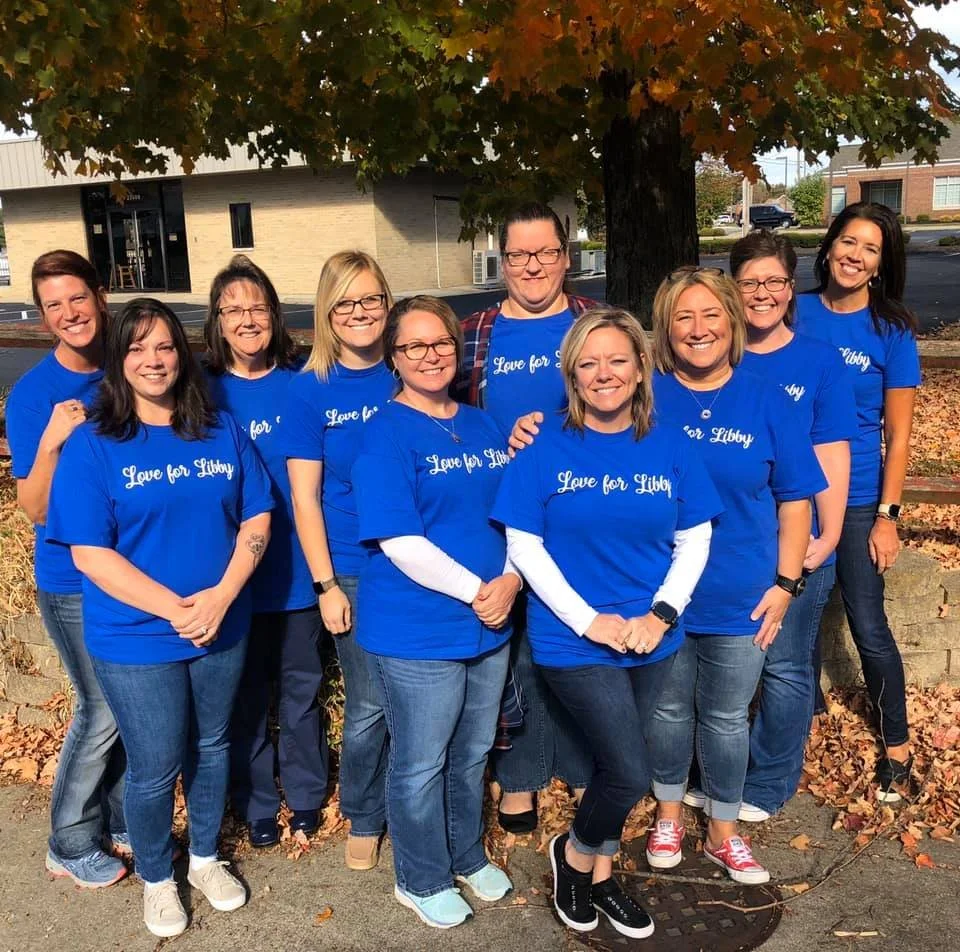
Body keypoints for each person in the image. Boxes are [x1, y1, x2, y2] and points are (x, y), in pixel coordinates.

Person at [45, 299, 274, 938]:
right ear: (119, 360)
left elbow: (257, 515)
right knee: (155, 764)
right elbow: (90, 554)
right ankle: (156, 878)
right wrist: (176, 608)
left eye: (165, 346)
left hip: (221, 620)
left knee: (211, 744)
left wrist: (223, 594)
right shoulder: (94, 444)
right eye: (138, 348)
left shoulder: (221, 430)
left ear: (183, 353)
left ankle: (202, 859)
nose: (153, 360)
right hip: (137, 633)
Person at [492, 308, 722, 938]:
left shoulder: (670, 445)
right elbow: (524, 544)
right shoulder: (543, 446)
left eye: (617, 359)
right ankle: (573, 854)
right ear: (571, 374)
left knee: (608, 769)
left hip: (651, 637)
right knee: (629, 771)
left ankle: (597, 874)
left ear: (641, 367)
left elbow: (694, 538)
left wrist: (661, 614)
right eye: (588, 363)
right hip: (573, 640)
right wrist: (590, 620)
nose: (604, 374)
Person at [646, 268, 826, 884]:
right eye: (683, 319)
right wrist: (525, 426)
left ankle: (724, 828)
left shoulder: (768, 399)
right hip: (659, 594)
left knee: (725, 717)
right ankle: (668, 815)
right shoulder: (645, 394)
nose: (698, 331)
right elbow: (578, 446)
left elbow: (796, 499)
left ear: (732, 320)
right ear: (667, 329)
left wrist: (785, 585)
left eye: (710, 316)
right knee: (668, 713)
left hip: (741, 596)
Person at [352, 295, 519, 929]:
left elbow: (516, 516)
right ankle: (419, 877)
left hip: (493, 616)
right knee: (421, 759)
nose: (431, 355)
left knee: (473, 750)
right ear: (394, 358)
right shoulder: (383, 433)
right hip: (419, 625)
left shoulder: (479, 424)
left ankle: (466, 855)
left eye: (441, 343)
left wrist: (509, 581)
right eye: (415, 346)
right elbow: (400, 540)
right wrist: (480, 588)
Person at [705, 231, 856, 822]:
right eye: (750, 282)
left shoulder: (818, 361)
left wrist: (830, 531)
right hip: (728, 541)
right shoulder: (715, 354)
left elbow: (834, 451)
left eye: (774, 281)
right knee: (724, 660)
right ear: (732, 288)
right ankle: (720, 770)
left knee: (786, 663)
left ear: (790, 289)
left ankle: (768, 782)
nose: (762, 293)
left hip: (800, 538)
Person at [454, 201, 594, 832]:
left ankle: (588, 762)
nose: (532, 266)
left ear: (566, 257)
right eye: (519, 255)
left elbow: (632, 404)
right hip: (499, 513)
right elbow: (442, 416)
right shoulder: (474, 332)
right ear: (502, 262)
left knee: (578, 636)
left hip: (587, 508)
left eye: (545, 253)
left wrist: (568, 431)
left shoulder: (596, 322)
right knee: (515, 650)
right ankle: (520, 777)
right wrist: (495, 439)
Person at [6, 250, 128, 888]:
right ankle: (70, 838)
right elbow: (34, 505)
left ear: (100, 296)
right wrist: (54, 440)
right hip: (73, 580)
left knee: (132, 699)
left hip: (134, 570)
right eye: (53, 305)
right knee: (102, 706)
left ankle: (118, 816)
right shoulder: (34, 396)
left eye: (76, 298)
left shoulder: (128, 367)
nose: (68, 314)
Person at [795, 202, 921, 802]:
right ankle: (806, 715)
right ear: (828, 247)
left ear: (881, 263)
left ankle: (896, 748)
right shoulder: (794, 312)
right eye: (848, 241)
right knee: (788, 608)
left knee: (868, 626)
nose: (855, 255)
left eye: (870, 248)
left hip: (858, 498)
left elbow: (899, 435)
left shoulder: (891, 331)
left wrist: (888, 517)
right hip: (790, 490)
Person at [203, 255, 327, 847]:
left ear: (274, 315)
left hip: (299, 570)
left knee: (301, 693)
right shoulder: (201, 392)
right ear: (217, 321)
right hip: (230, 576)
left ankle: (304, 796)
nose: (247, 319)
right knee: (246, 696)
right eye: (234, 310)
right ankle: (253, 802)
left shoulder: (305, 382)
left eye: (257, 308)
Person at [283, 251, 394, 870]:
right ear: (327, 312)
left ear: (387, 302)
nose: (360, 312)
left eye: (371, 299)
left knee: (421, 695)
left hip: (420, 565)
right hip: (352, 564)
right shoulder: (311, 389)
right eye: (345, 302)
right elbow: (305, 495)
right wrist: (326, 582)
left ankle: (414, 802)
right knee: (370, 700)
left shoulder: (410, 370)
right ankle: (364, 811)